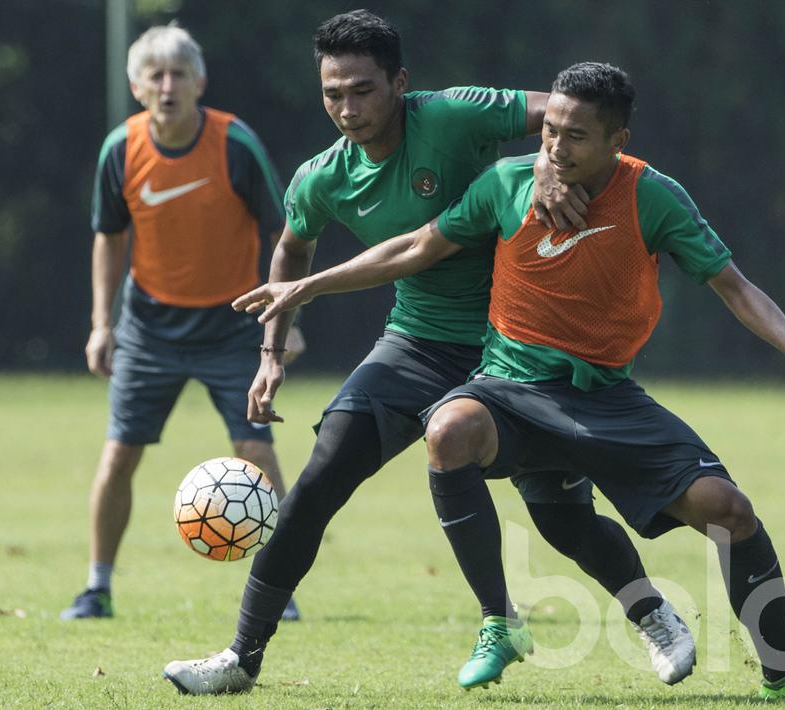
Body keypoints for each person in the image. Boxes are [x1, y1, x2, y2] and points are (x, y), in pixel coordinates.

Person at [234, 62, 785, 704]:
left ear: (618, 141)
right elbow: (415, 247)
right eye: (550, 133)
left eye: (576, 137)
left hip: (604, 398)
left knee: (725, 511)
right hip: (508, 390)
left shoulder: (654, 196)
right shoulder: (504, 183)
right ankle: (496, 623)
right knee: (448, 428)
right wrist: (307, 286)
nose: (557, 148)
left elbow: (732, 284)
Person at [162, 11, 694, 695]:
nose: (347, 109)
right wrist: (271, 350)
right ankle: (241, 657)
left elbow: (559, 113)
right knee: (318, 481)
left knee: (561, 518)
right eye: (332, 94)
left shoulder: (452, 115)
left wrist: (542, 165)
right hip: (415, 343)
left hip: (519, 353)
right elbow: (292, 250)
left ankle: (652, 615)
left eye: (363, 90)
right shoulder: (320, 177)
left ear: (399, 84)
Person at [60, 24, 300, 622]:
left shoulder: (234, 145)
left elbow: (286, 234)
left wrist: (283, 320)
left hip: (232, 325)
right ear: (137, 86)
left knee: (256, 450)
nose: (167, 86)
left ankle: (280, 589)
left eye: (178, 74)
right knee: (119, 456)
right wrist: (101, 323)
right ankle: (97, 587)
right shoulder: (120, 149)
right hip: (149, 328)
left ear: (200, 82)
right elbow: (108, 239)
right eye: (155, 75)